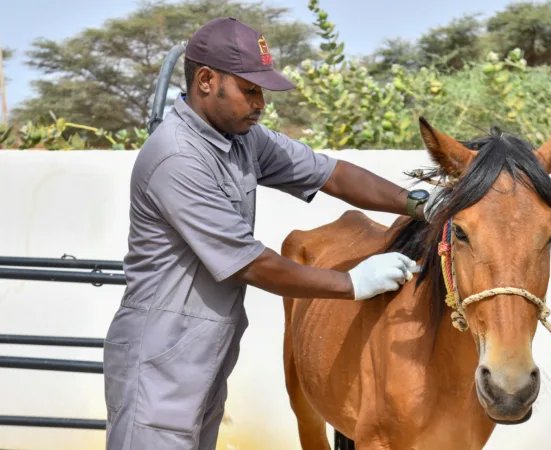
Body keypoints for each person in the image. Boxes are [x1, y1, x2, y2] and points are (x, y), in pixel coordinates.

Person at [103, 17, 435, 450]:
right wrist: (352, 282)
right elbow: (251, 263)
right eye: (250, 90)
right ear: (206, 80)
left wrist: (420, 203)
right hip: (160, 358)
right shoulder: (178, 157)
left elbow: (330, 173)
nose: (260, 103)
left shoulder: (242, 139)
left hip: (204, 352)